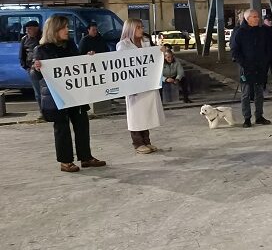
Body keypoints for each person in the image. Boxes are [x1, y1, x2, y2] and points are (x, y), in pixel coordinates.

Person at [32, 15, 106, 173]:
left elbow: (77, 65)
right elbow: (36, 75)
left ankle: (86, 157)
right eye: (64, 27)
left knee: (82, 124)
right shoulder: (41, 49)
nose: (68, 30)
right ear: (54, 30)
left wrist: (88, 58)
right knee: (62, 129)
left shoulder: (70, 45)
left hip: (75, 94)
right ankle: (65, 161)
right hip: (56, 97)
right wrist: (36, 68)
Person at [117, 18, 165, 153]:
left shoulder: (146, 42)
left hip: (147, 83)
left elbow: (152, 58)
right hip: (133, 85)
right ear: (130, 28)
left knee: (146, 113)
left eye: (142, 27)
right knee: (135, 115)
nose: (141, 30)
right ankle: (137, 143)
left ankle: (146, 141)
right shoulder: (123, 45)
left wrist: (159, 51)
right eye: (138, 27)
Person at [231, 9, 272, 128]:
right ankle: (247, 118)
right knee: (246, 94)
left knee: (259, 93)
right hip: (246, 67)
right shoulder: (240, 32)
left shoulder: (261, 31)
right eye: (254, 17)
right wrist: (244, 63)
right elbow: (235, 51)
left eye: (257, 16)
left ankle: (259, 116)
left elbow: (266, 48)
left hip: (260, 67)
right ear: (247, 19)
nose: (257, 19)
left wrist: (265, 61)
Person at [19, 20, 42, 110]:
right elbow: (22, 54)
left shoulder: (43, 37)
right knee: (38, 92)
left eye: (30, 29)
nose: (27, 31)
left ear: (36, 28)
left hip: (44, 67)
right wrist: (26, 67)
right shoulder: (24, 39)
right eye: (26, 29)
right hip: (31, 69)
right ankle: (43, 112)